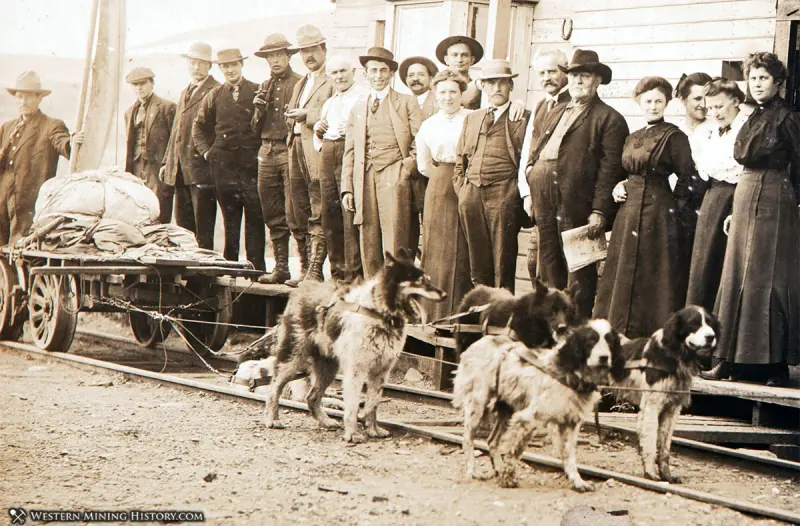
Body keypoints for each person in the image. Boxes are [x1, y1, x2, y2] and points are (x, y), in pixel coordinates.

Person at [701, 52, 800, 386]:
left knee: (767, 279)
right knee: (735, 276)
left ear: (778, 82)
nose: (757, 84)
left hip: (773, 198)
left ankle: (774, 366)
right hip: (744, 196)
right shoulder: (752, 115)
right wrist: (733, 210)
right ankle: (727, 360)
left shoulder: (786, 117)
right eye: (753, 78)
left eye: (763, 78)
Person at [593, 77, 701, 339]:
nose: (653, 106)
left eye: (658, 101)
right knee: (622, 269)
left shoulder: (674, 136)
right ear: (640, 103)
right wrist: (619, 185)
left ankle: (649, 334)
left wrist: (673, 209)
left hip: (658, 214)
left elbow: (689, 177)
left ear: (666, 103)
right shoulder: (633, 137)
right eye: (648, 101)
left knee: (652, 272)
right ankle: (618, 330)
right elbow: (626, 173)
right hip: (628, 213)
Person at [525, 49, 629, 317]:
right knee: (548, 264)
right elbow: (537, 146)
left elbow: (610, 170)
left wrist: (599, 210)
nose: (577, 81)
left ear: (597, 81)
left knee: (578, 272)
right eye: (573, 76)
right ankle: (551, 327)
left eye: (584, 76)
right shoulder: (556, 110)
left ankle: (577, 328)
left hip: (577, 203)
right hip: (544, 197)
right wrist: (530, 172)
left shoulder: (609, 118)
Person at [341, 47, 423, 277]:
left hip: (394, 173)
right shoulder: (358, 107)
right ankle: (374, 291)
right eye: (373, 70)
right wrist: (347, 188)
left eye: (383, 70)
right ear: (366, 74)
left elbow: (421, 139)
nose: (378, 75)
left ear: (391, 74)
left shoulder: (406, 102)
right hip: (365, 176)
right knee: (368, 238)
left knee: (395, 236)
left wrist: (406, 168)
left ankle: (395, 290)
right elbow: (350, 150)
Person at [453, 59, 531, 292]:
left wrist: (515, 194)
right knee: (477, 260)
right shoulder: (472, 118)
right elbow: (460, 159)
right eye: (491, 83)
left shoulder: (524, 117)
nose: (496, 88)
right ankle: (482, 308)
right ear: (483, 86)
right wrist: (463, 191)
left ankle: (502, 309)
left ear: (511, 86)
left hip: (504, 193)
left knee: (502, 258)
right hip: (472, 193)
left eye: (502, 83)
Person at [192, 48, 266, 271]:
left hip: (251, 166)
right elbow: (199, 127)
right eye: (225, 66)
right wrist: (207, 152)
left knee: (255, 215)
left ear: (241, 65)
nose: (230, 70)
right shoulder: (214, 95)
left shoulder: (257, 90)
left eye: (234, 64)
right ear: (220, 69)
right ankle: (231, 266)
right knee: (230, 217)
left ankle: (256, 268)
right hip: (223, 168)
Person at [685, 78, 747, 312]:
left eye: (719, 106)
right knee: (704, 261)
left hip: (737, 195)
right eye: (710, 108)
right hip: (712, 197)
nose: (714, 113)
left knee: (727, 260)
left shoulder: (747, 128)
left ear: (736, 101)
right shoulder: (708, 131)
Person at [0, 71, 83, 244]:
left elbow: (64, 145)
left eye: (29, 97)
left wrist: (72, 143)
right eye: (19, 96)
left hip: (29, 206)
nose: (23, 102)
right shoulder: (7, 128)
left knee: (22, 250)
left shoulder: (51, 126)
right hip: (2, 202)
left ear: (39, 98)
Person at [415, 69, 472, 319]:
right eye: (442, 93)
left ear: (462, 94)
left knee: (462, 247)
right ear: (435, 95)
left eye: (453, 92)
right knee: (437, 248)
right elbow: (423, 165)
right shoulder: (429, 125)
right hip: (439, 186)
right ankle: (433, 314)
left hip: (467, 183)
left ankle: (460, 311)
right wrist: (442, 177)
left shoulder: (472, 118)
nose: (447, 97)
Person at [251, 34, 303, 284]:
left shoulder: (300, 83)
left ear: (288, 56)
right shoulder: (264, 85)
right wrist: (259, 110)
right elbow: (254, 129)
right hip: (266, 151)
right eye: (270, 56)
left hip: (289, 149)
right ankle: (281, 268)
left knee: (295, 211)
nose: (275, 60)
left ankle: (306, 269)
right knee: (272, 212)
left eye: (279, 55)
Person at [284, 25, 333, 286]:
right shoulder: (301, 83)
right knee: (297, 210)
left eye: (313, 49)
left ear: (324, 50)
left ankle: (315, 271)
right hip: (295, 148)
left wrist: (308, 116)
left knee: (318, 209)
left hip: (317, 151)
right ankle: (304, 269)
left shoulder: (332, 79)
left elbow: (337, 114)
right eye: (304, 51)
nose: (308, 56)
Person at [518, 48, 571, 282]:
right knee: (540, 263)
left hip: (564, 197)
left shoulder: (575, 104)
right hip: (539, 196)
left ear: (565, 71)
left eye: (552, 71)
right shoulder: (540, 106)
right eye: (541, 73)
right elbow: (528, 152)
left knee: (564, 264)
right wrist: (526, 193)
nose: (546, 78)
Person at [160, 41, 219, 250]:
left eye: (201, 63)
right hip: (180, 170)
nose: (196, 67)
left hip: (201, 171)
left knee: (203, 229)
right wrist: (167, 162)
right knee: (184, 229)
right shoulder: (185, 91)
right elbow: (176, 132)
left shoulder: (216, 90)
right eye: (193, 62)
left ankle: (204, 270)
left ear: (209, 65)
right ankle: (187, 268)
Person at [313, 55, 367, 280]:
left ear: (353, 72)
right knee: (330, 214)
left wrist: (354, 129)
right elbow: (318, 141)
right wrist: (318, 130)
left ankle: (354, 275)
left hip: (349, 153)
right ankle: (337, 274)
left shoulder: (363, 97)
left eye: (343, 71)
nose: (339, 76)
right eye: (334, 73)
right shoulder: (329, 103)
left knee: (349, 213)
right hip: (328, 153)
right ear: (329, 77)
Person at [123, 67, 176, 224]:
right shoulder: (129, 112)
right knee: (138, 207)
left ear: (152, 83)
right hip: (135, 167)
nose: (139, 88)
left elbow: (174, 141)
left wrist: (167, 165)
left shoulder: (167, 107)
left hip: (157, 168)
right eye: (135, 84)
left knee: (158, 210)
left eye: (143, 83)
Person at [398, 55, 439, 246]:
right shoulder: (400, 103)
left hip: (431, 171)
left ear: (430, 78)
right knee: (407, 223)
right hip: (407, 172)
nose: (415, 79)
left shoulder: (438, 101)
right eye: (411, 75)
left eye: (421, 74)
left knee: (432, 222)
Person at [436, 35, 484, 109]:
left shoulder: (479, 88)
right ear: (446, 59)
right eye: (454, 55)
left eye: (464, 55)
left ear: (472, 60)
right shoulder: (438, 85)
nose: (459, 60)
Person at [675, 72, 713, 138]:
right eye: (698, 99)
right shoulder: (675, 132)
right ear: (683, 99)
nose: (704, 105)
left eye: (707, 99)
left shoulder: (717, 130)